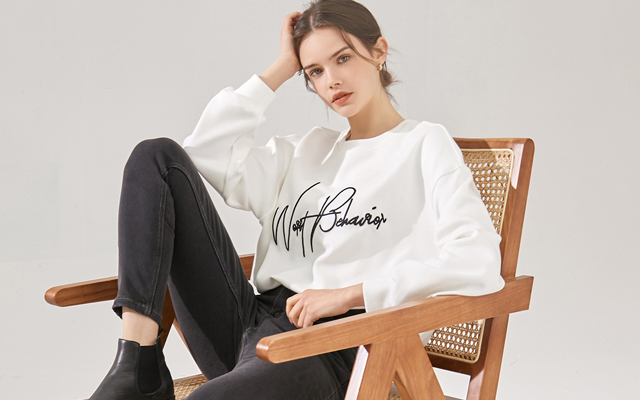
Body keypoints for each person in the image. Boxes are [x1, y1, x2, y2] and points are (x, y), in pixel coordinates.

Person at [87, 0, 505, 399]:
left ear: (379, 52)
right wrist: (282, 67)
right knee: (157, 157)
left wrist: (349, 295)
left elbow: (478, 260)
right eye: (315, 71)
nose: (332, 80)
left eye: (343, 58)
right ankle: (137, 365)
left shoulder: (423, 144)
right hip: (249, 325)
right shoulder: (306, 151)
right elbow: (203, 152)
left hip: (333, 344)